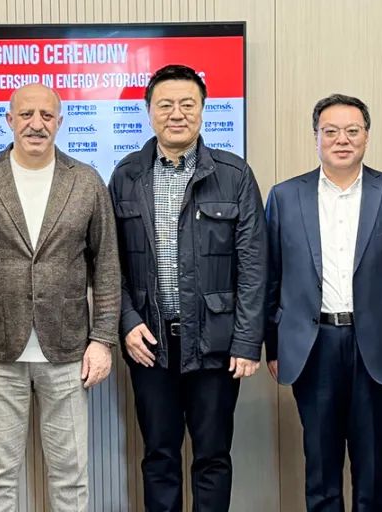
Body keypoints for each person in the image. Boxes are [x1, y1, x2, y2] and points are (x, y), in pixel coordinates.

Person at [0, 83, 120, 511]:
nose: (36, 124)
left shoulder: (86, 181)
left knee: (71, 477)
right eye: (25, 115)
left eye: (46, 115)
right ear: (9, 120)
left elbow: (107, 266)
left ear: (60, 122)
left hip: (69, 353)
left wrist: (102, 340)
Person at [109, 64, 266, 511]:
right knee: (159, 456)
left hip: (215, 344)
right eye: (165, 105)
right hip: (149, 342)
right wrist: (127, 322)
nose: (176, 114)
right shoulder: (126, 175)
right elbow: (108, 263)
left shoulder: (234, 174)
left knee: (213, 456)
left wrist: (247, 341)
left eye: (187, 104)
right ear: (149, 112)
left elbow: (254, 264)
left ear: (202, 109)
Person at [263, 94, 382, 512]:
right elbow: (271, 276)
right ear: (315, 137)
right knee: (320, 463)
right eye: (330, 131)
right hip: (312, 345)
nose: (341, 140)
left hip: (375, 345)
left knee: (373, 464)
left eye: (352, 130)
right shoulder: (284, 196)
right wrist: (273, 345)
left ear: (367, 136)